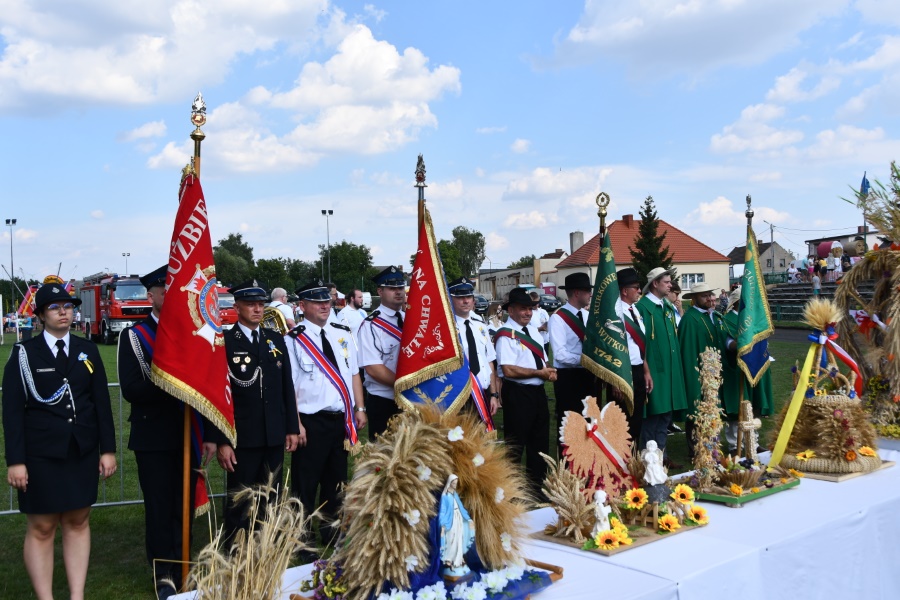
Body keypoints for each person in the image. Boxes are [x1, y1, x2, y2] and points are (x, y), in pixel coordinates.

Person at [3, 284, 116, 600]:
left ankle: (76, 595)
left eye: (67, 306)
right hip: (41, 455)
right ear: (40, 315)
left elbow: (101, 403)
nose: (64, 311)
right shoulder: (24, 354)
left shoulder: (87, 350)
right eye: (55, 307)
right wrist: (16, 460)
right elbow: (12, 412)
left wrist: (107, 450)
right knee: (42, 527)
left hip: (80, 451)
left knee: (78, 522)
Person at [118, 265, 214, 599]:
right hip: (154, 437)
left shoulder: (192, 334)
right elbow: (131, 388)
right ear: (152, 295)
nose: (170, 296)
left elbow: (208, 386)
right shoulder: (134, 335)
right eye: (164, 290)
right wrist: (174, 381)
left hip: (189, 433)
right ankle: (164, 573)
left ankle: (183, 566)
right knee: (160, 507)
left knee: (182, 504)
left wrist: (212, 434)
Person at [206, 280, 300, 545]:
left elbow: (286, 386)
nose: (257, 309)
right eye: (251, 305)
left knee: (270, 495)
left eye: (260, 304)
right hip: (242, 436)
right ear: (237, 307)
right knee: (241, 497)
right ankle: (236, 550)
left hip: (273, 433)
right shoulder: (225, 342)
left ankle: (265, 546)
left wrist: (291, 427)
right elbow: (218, 396)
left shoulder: (274, 338)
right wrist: (223, 440)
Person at [286, 280, 366, 547]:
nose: (324, 306)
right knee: (305, 483)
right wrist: (296, 423)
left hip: (339, 419)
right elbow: (290, 386)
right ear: (302, 306)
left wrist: (359, 407)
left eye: (326, 301)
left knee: (336, 482)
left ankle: (331, 530)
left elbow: (354, 373)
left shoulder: (342, 334)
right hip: (310, 420)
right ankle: (302, 536)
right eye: (317, 302)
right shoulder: (294, 339)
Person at [494, 287, 557, 496]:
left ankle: (536, 488)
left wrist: (548, 370)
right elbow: (508, 369)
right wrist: (539, 373)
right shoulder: (505, 335)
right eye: (523, 309)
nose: (528, 313)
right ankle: (511, 491)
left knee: (539, 442)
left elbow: (541, 358)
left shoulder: (533, 332)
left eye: (530, 309)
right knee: (516, 444)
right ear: (510, 310)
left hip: (538, 393)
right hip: (518, 394)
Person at [636, 267, 687, 466]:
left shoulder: (666, 306)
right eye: (666, 282)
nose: (670, 285)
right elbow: (640, 342)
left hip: (670, 368)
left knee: (665, 414)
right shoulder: (643, 308)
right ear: (655, 283)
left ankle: (662, 455)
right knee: (653, 413)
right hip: (655, 369)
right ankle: (649, 457)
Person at [678, 282, 726, 461]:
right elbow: (687, 350)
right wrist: (694, 376)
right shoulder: (690, 320)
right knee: (696, 411)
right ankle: (695, 450)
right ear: (694, 299)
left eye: (710, 295)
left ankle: (712, 446)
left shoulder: (710, 316)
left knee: (712, 410)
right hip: (698, 373)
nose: (710, 298)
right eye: (704, 295)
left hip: (712, 370)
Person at [358, 266, 406, 439]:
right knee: (384, 458)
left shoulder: (412, 320)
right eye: (392, 288)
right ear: (380, 291)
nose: (398, 292)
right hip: (384, 401)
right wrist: (406, 385)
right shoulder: (370, 325)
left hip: (413, 400)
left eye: (401, 287)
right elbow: (372, 368)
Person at [548, 272, 596, 435]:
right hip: (569, 378)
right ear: (577, 293)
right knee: (570, 425)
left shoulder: (589, 316)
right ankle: (567, 461)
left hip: (589, 375)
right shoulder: (558, 318)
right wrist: (587, 361)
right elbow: (560, 354)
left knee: (591, 422)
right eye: (587, 290)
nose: (590, 294)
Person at [449, 277, 500, 415]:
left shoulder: (480, 325)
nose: (466, 301)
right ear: (450, 299)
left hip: (484, 392)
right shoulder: (446, 329)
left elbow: (489, 361)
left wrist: (494, 395)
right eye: (460, 297)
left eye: (469, 296)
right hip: (460, 397)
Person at [614, 268, 651, 446]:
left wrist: (646, 372)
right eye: (636, 287)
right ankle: (621, 462)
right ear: (624, 290)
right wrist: (616, 380)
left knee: (636, 420)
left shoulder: (634, 310)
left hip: (637, 369)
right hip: (623, 372)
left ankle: (633, 461)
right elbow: (612, 349)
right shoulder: (615, 313)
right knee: (623, 421)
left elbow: (638, 345)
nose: (639, 291)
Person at [438, 474, 475, 577]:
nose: (455, 485)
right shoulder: (445, 496)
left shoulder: (455, 494)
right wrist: (443, 524)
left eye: (456, 483)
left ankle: (458, 560)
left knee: (459, 538)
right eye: (453, 483)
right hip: (450, 521)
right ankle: (449, 560)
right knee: (450, 539)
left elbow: (461, 508)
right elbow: (442, 511)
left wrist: (468, 519)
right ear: (449, 483)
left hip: (458, 518)